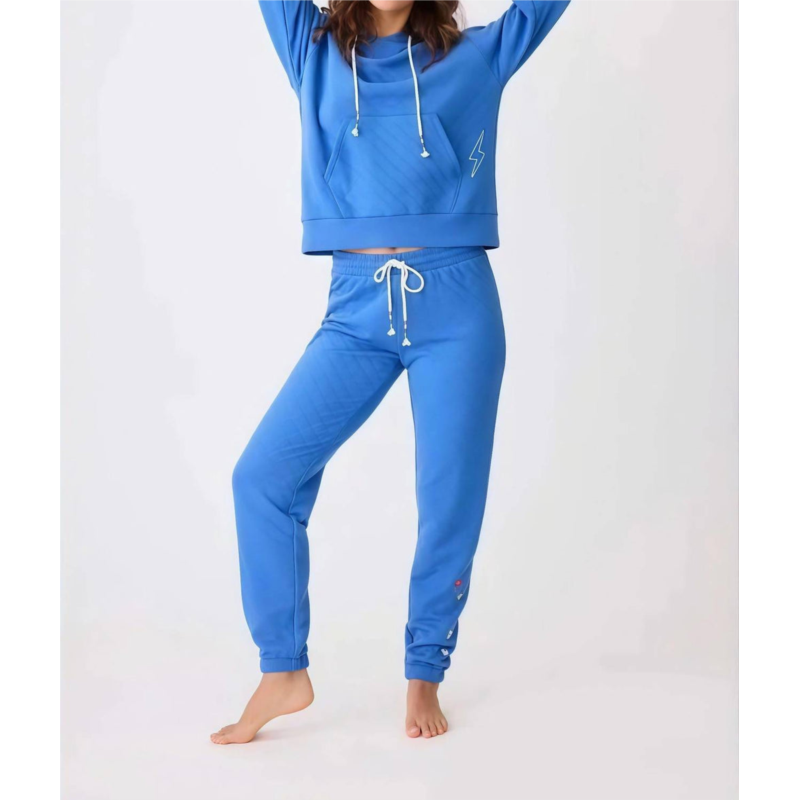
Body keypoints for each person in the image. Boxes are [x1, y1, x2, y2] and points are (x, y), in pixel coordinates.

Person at [211, 0, 572, 745]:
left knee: (447, 501)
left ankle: (424, 672)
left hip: (458, 307)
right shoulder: (311, 50)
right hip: (355, 310)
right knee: (263, 478)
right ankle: (283, 669)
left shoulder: (477, 58)